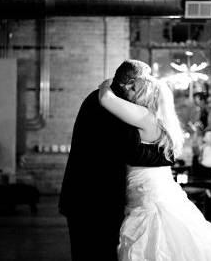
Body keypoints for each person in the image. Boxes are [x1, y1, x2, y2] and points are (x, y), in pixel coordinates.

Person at [99, 75, 211, 261]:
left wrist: (109, 82)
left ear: (146, 96)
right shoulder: (156, 119)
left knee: (153, 238)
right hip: (151, 185)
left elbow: (106, 98)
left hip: (148, 190)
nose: (128, 89)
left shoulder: (145, 117)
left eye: (133, 88)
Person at [58, 60, 175, 261]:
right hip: (96, 201)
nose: (144, 89)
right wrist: (166, 154)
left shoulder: (98, 98)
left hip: (83, 196)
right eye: (142, 83)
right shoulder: (114, 107)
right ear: (130, 82)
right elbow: (131, 151)